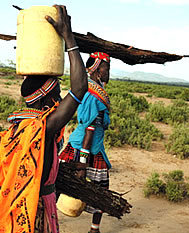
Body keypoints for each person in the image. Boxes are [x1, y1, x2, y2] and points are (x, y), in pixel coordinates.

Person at [0, 5, 88, 233]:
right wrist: (68, 37)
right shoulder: (43, 126)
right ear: (46, 99)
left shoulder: (19, 127)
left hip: (25, 206)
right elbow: (80, 88)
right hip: (35, 210)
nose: (60, 98)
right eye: (56, 92)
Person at [59, 51, 111, 233]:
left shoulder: (93, 89)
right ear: (97, 69)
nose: (108, 72)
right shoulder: (92, 94)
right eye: (106, 68)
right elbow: (90, 130)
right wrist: (82, 164)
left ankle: (94, 229)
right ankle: (93, 230)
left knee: (62, 184)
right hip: (85, 148)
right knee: (100, 192)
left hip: (90, 146)